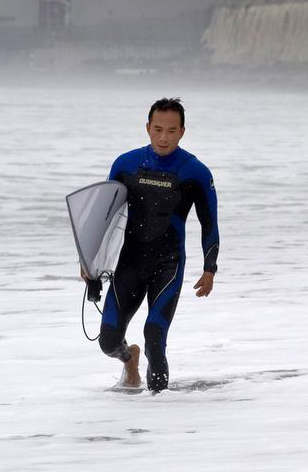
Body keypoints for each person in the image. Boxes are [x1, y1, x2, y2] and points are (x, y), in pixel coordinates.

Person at [93, 97, 219, 392]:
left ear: (182, 131)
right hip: (130, 264)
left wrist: (209, 269)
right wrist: (90, 264)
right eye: (158, 129)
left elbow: (209, 223)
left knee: (155, 337)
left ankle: (158, 416)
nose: (164, 137)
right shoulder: (126, 165)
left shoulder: (195, 172)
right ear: (148, 128)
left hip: (168, 264)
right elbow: (105, 219)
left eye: (172, 131)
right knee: (108, 341)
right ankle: (129, 358)